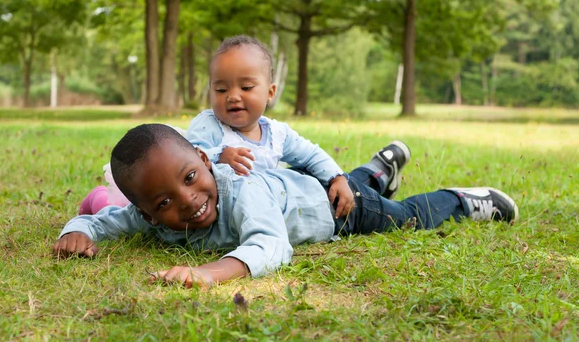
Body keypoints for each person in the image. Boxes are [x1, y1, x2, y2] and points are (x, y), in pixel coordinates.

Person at [54, 124, 519, 288]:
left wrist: (211, 272)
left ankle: (462, 200)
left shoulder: (240, 190)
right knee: (358, 184)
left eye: (192, 177)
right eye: (164, 202)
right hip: (302, 190)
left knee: (404, 220)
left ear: (203, 158)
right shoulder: (143, 214)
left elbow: (272, 244)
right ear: (148, 213)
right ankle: (377, 171)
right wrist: (76, 231)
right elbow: (103, 219)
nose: (190, 200)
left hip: (335, 214)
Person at [80, 35, 406, 217]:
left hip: (269, 200)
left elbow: (311, 154)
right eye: (221, 90)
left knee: (322, 183)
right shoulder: (208, 125)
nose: (233, 97)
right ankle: (100, 200)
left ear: (270, 93)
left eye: (246, 88)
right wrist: (220, 155)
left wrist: (337, 176)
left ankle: (375, 173)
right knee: (121, 210)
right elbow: (190, 158)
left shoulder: (276, 133)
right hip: (199, 206)